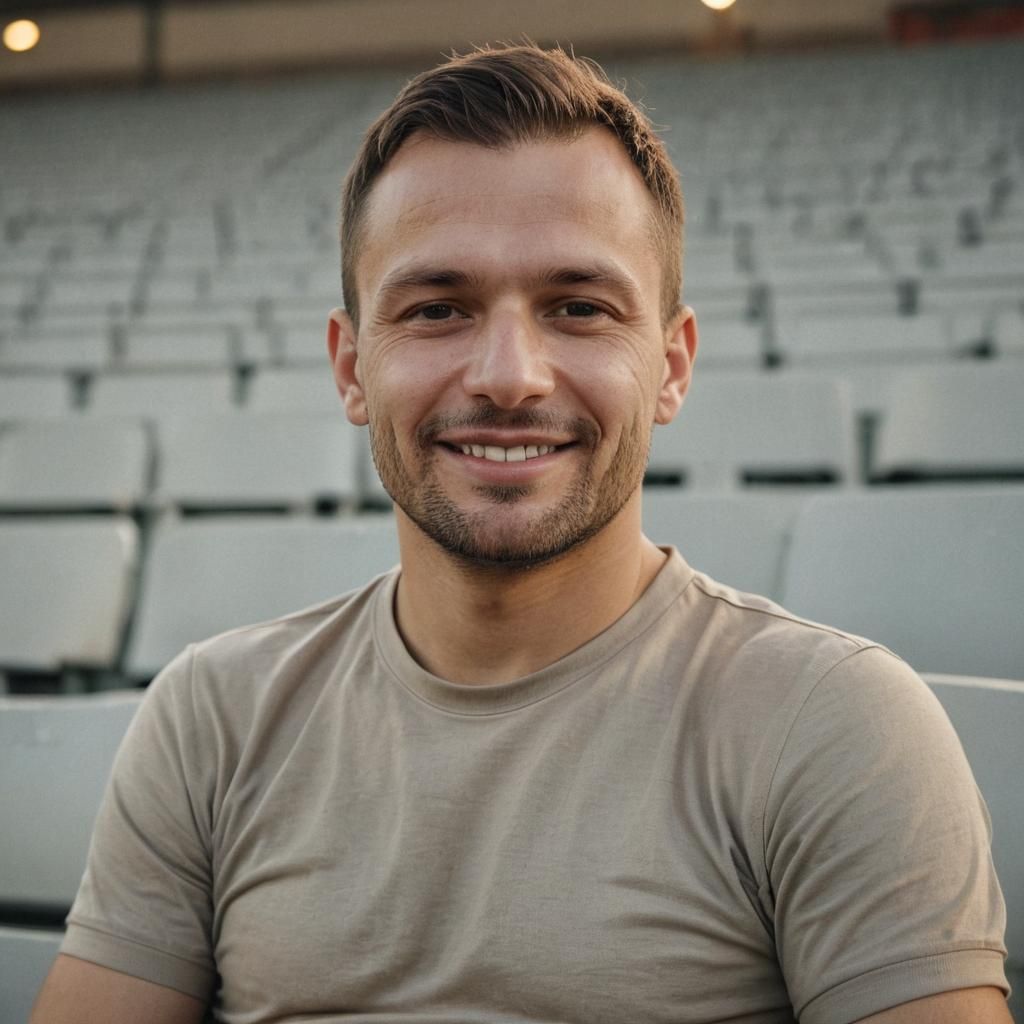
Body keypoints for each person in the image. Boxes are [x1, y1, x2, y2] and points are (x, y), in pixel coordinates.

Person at [32, 44, 1010, 1024]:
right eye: (437, 308)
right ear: (350, 368)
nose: (510, 376)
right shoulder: (210, 719)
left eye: (578, 307)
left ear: (670, 367)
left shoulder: (833, 725)